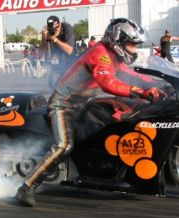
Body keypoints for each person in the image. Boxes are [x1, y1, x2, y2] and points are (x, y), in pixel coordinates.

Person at [16, 18, 166, 207]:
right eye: (131, 44)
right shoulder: (100, 54)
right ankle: (26, 186)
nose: (134, 49)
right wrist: (140, 92)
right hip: (63, 105)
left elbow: (131, 74)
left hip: (82, 105)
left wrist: (160, 82)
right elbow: (107, 82)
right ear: (118, 40)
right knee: (64, 146)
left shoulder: (112, 56)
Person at [39, 15, 76, 88]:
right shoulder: (48, 32)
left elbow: (70, 51)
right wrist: (43, 40)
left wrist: (55, 39)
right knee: (53, 85)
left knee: (69, 84)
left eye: (57, 28)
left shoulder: (67, 28)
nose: (55, 30)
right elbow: (41, 54)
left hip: (70, 59)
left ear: (59, 24)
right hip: (56, 59)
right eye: (53, 29)